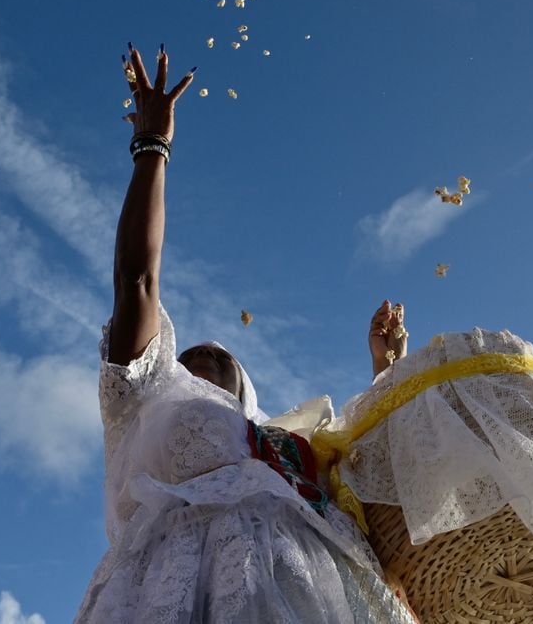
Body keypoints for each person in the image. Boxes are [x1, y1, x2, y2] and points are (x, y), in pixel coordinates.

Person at [74, 44, 418, 623]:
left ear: (246, 392)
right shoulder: (144, 397)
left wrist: (387, 371)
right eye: (186, 357)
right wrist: (153, 148)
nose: (200, 352)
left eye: (217, 356)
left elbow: (385, 501)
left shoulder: (293, 453)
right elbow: (137, 278)